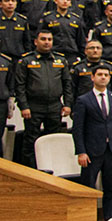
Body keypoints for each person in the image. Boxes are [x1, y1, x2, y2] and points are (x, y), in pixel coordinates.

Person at [71, 65, 112, 221]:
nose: (103, 77)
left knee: (110, 187)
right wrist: (81, 151)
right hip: (91, 151)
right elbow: (78, 128)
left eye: (106, 75)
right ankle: (87, 219)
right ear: (92, 77)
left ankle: (110, 219)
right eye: (100, 74)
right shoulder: (83, 100)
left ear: (109, 78)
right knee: (88, 187)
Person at [13, 30, 73, 168]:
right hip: (34, 106)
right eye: (43, 39)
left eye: (50, 39)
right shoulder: (26, 60)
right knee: (30, 141)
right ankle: (30, 173)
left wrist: (68, 104)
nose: (47, 42)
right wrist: (24, 106)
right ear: (36, 41)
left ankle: (53, 170)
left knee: (53, 140)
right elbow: (20, 86)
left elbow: (67, 84)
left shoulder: (60, 60)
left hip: (54, 106)